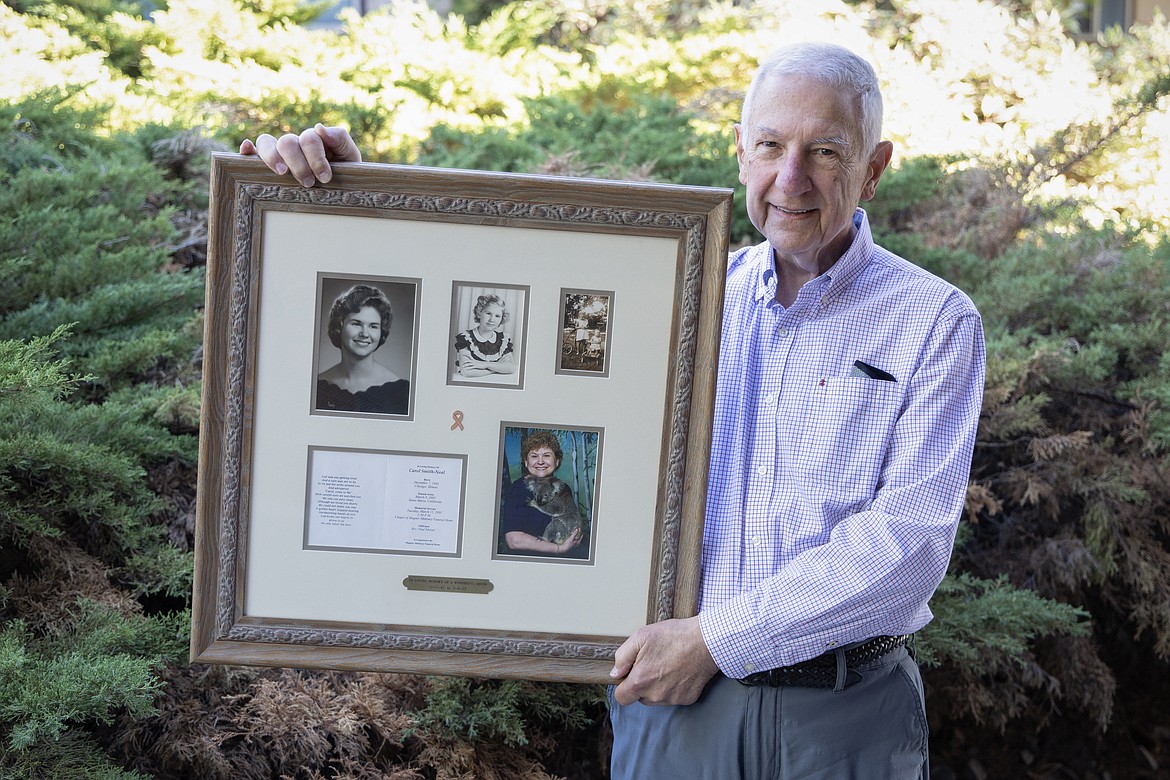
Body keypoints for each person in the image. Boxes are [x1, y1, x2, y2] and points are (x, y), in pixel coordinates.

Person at [241, 39, 985, 779]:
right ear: (740, 153)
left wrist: (714, 642)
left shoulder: (932, 321)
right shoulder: (669, 292)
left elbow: (908, 548)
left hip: (843, 722)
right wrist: (356, 204)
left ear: (875, 168)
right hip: (674, 720)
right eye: (769, 145)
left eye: (825, 150)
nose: (790, 177)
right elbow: (490, 340)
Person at [316, 283, 410, 414]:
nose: (365, 334)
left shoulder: (402, 392)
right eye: (356, 324)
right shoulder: (316, 386)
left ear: (381, 331)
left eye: (373, 326)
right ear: (339, 327)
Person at [498, 430, 584, 557]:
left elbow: (569, 518)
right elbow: (514, 540)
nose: (540, 461)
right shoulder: (519, 489)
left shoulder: (563, 487)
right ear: (526, 462)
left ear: (557, 461)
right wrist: (559, 549)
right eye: (534, 456)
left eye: (547, 455)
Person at [453, 293, 516, 378]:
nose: (492, 319)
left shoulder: (503, 340)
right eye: (488, 313)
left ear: (502, 319)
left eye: (497, 316)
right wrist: (498, 367)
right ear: (479, 313)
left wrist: (484, 365)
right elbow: (467, 372)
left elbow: (511, 368)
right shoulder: (466, 338)